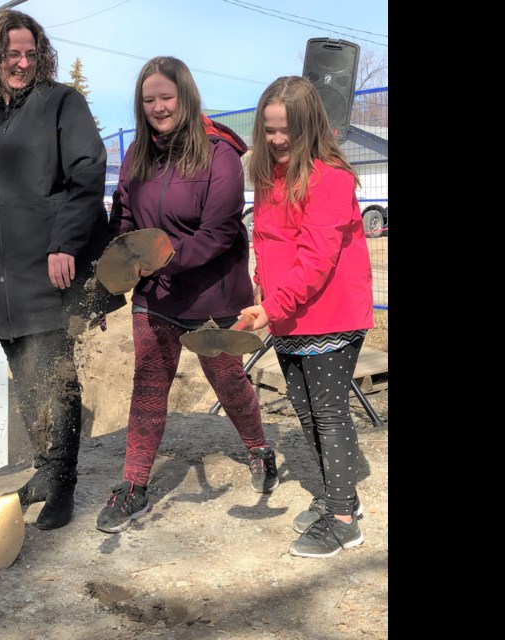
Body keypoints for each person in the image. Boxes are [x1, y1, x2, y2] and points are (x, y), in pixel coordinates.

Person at [0, 10, 124, 530]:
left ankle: (62, 481)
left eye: (31, 54)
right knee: (26, 372)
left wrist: (66, 242)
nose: (22, 63)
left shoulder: (61, 103)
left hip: (50, 270)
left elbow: (87, 173)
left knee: (54, 372)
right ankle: (45, 465)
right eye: (11, 54)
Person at [96, 56, 277, 534]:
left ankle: (259, 448)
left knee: (228, 382)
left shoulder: (218, 153)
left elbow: (219, 231)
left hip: (212, 296)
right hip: (156, 295)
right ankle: (133, 485)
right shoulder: (137, 154)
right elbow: (126, 220)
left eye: (166, 97)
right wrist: (115, 271)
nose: (158, 107)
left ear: (186, 97)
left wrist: (161, 260)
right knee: (149, 388)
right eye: (149, 99)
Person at [240, 76, 374, 558]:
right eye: (269, 129)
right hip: (288, 315)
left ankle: (343, 523)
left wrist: (271, 307)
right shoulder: (268, 173)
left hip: (329, 313)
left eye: (287, 131)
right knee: (305, 412)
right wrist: (263, 288)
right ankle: (343, 501)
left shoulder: (330, 178)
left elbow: (316, 260)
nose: (277, 139)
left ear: (309, 127)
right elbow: (269, 241)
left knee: (329, 415)